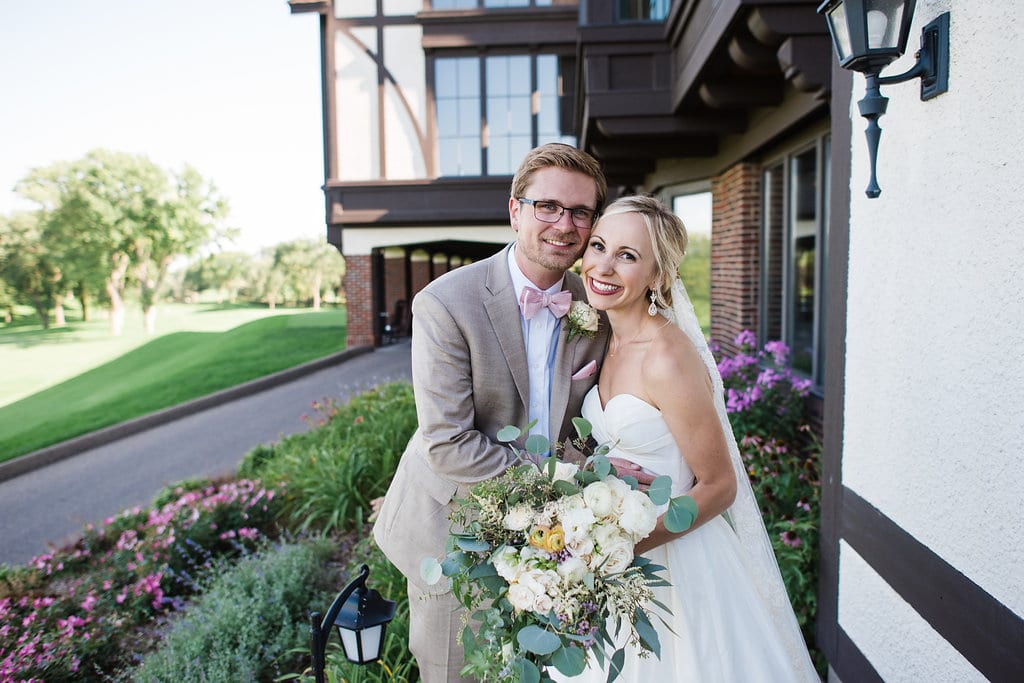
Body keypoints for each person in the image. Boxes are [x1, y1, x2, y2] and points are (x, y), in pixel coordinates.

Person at [372, 144, 654, 682]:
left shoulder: (596, 301)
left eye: (580, 212)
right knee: (458, 673)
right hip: (456, 531)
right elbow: (449, 444)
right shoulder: (445, 304)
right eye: (547, 206)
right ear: (515, 211)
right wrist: (567, 482)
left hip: (560, 540)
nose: (563, 225)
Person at [558, 194, 820, 682]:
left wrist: (625, 545)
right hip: (609, 558)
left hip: (677, 560)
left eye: (628, 256)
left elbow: (720, 485)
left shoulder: (667, 357)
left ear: (658, 277)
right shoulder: (602, 335)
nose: (603, 266)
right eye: (598, 246)